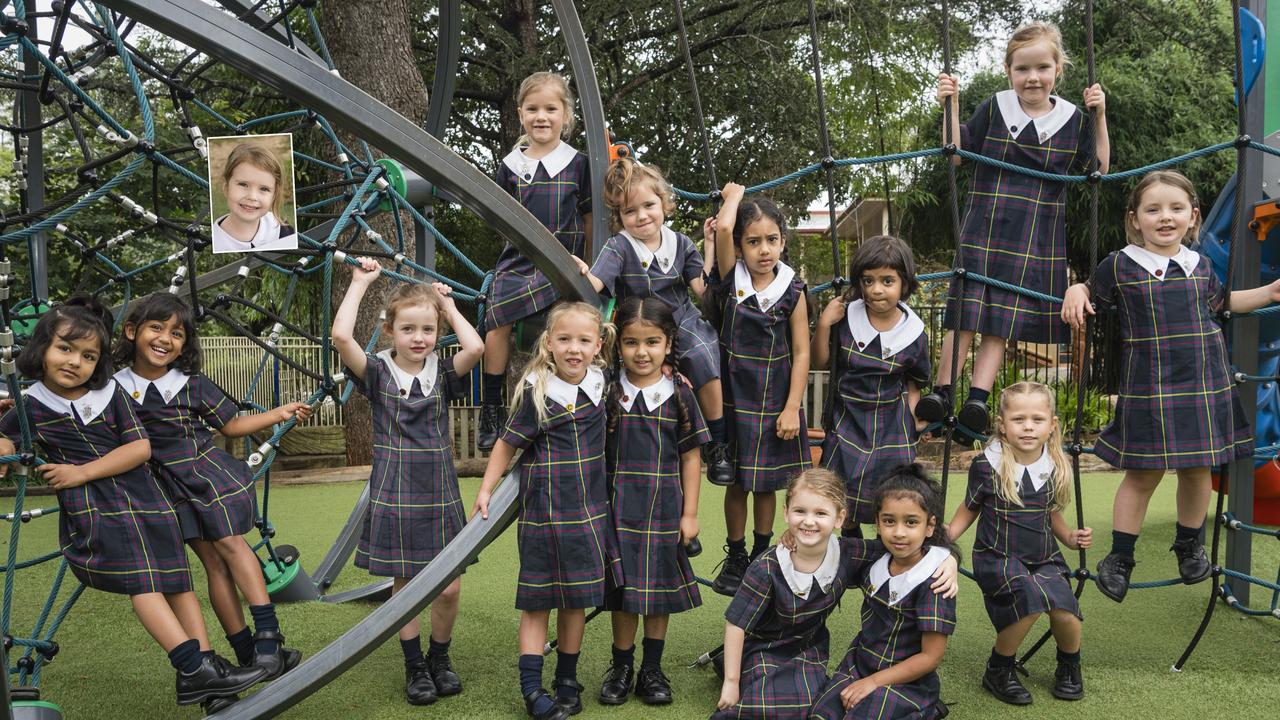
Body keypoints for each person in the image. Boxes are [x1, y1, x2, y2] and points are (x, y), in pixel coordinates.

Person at [0, 298, 266, 708]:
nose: (75, 362)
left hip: (148, 500)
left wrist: (82, 470)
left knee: (179, 583)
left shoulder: (110, 392)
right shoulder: (31, 404)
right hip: (98, 509)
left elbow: (141, 448)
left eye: (88, 356)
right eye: (64, 349)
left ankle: (209, 676)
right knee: (145, 584)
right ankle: (193, 667)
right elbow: (8, 438)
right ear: (41, 350)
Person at [1062, 170, 1280, 601]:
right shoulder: (1121, 265)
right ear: (1135, 219)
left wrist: (1270, 292)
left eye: (1176, 209)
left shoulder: (1199, 265)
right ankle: (1121, 556)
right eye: (1153, 209)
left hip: (1204, 384)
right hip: (1150, 387)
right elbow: (1092, 295)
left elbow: (1225, 305)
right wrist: (1076, 288)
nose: (1166, 217)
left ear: (1193, 216)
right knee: (1143, 475)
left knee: (1198, 470)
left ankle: (1189, 545)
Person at [113, 292, 309, 710]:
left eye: (177, 333)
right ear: (132, 332)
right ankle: (244, 655)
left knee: (232, 545)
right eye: (156, 328)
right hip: (164, 487)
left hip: (204, 474)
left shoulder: (191, 384)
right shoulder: (114, 388)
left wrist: (277, 414)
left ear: (186, 344)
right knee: (212, 564)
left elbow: (232, 424)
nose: (166, 338)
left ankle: (269, 639)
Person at [917, 21, 1109, 435]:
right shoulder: (996, 106)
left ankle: (977, 400)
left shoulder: (1074, 120)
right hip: (985, 226)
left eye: (1042, 67)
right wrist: (949, 105)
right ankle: (943, 390)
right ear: (1009, 71)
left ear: (1058, 69)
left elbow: (1097, 168)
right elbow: (955, 154)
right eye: (1022, 69)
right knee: (967, 309)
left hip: (1035, 237)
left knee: (1001, 320)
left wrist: (1100, 114)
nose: (1032, 77)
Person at [332, 257, 484, 704]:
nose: (419, 338)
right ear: (390, 332)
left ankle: (440, 657)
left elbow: (474, 348)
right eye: (408, 329)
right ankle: (414, 664)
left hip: (438, 493)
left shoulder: (442, 372)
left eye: (428, 330)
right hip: (395, 491)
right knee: (406, 583)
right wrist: (360, 283)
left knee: (449, 584)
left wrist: (448, 306)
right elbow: (341, 336)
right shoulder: (377, 373)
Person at [472, 301, 621, 720]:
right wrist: (487, 488)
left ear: (598, 345)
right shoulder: (538, 391)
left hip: (589, 515)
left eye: (584, 340)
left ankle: (567, 682)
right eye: (565, 339)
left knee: (576, 601)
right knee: (537, 602)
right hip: (543, 515)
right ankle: (532, 689)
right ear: (549, 343)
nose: (574, 348)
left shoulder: (601, 383)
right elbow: (506, 443)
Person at [712, 468, 957, 720]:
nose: (809, 521)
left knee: (805, 708)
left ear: (839, 518)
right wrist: (731, 682)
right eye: (800, 511)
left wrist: (948, 558)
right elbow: (736, 622)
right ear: (786, 512)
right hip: (764, 647)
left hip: (809, 648)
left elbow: (913, 550)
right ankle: (735, 668)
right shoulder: (767, 566)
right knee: (783, 708)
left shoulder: (850, 554)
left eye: (820, 513)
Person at [575, 158, 732, 484]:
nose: (642, 216)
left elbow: (702, 290)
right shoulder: (619, 246)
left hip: (681, 319)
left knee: (704, 353)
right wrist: (579, 271)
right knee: (612, 374)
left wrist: (712, 245)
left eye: (649, 205)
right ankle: (609, 451)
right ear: (619, 217)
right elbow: (594, 286)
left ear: (664, 203)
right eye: (630, 211)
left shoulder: (681, 244)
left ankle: (718, 444)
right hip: (640, 325)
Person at [947, 382, 1092, 705]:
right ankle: (998, 668)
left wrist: (1069, 537)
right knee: (1029, 600)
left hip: (1044, 557)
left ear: (1052, 424)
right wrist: (947, 537)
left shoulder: (1055, 466)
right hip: (997, 556)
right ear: (1002, 424)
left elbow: (1051, 514)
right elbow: (968, 509)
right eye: (1019, 419)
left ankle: (1069, 666)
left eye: (1037, 419)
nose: (1028, 427)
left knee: (1066, 610)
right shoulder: (988, 465)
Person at [598, 297, 708, 707]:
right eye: (631, 342)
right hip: (618, 509)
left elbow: (691, 455)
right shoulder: (607, 392)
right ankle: (621, 666)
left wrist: (690, 513)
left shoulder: (678, 393)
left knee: (657, 592)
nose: (641, 352)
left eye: (652, 342)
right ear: (617, 344)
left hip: (664, 510)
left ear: (668, 343)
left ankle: (651, 669)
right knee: (624, 593)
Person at [479, 72, 593, 451]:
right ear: (520, 114)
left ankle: (555, 404)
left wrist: (589, 262)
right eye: (532, 109)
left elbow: (591, 217)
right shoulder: (511, 166)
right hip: (520, 260)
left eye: (550, 109)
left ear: (566, 115)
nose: (541, 116)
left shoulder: (578, 164)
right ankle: (491, 406)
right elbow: (500, 218)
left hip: (564, 262)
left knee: (563, 327)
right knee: (496, 320)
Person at [708, 181, 811, 597]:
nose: (764, 250)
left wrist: (792, 408)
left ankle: (762, 553)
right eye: (753, 242)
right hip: (735, 399)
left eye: (771, 240)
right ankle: (735, 556)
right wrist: (732, 198)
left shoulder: (793, 291)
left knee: (766, 484)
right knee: (736, 482)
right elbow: (722, 231)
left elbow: (802, 353)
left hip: (773, 402)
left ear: (783, 242)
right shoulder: (732, 278)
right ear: (740, 246)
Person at [808, 464, 958, 720]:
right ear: (877, 523)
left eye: (911, 522)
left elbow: (931, 657)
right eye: (889, 521)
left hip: (907, 681)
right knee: (821, 715)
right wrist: (792, 535)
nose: (899, 533)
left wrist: (874, 682)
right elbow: (827, 544)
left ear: (930, 526)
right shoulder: (875, 556)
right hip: (859, 664)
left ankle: (924, 709)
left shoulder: (935, 580)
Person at [811, 235, 930, 536]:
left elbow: (915, 380)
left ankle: (884, 546)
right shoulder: (846, 317)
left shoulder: (913, 332)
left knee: (892, 487)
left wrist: (915, 418)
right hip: (848, 413)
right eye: (868, 280)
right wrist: (825, 324)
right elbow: (821, 362)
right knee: (844, 484)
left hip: (892, 418)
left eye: (887, 281)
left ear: (904, 283)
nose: (876, 290)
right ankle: (851, 542)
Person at [210, 142, 297, 253]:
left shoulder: (282, 230)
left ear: (274, 195)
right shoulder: (213, 241)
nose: (252, 197)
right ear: (226, 187)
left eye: (264, 189)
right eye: (243, 184)